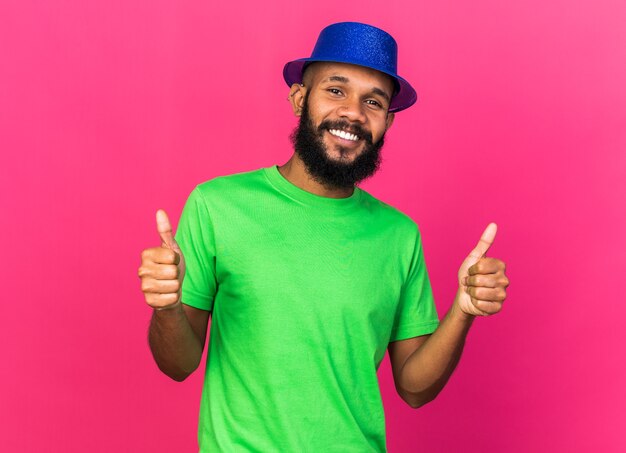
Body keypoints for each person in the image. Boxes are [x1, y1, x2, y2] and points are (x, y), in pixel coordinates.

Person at [138, 22, 510, 452]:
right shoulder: (217, 205)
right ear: (300, 97)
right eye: (336, 90)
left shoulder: (399, 235)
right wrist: (166, 308)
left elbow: (414, 387)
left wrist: (462, 312)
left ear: (387, 122)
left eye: (373, 101)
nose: (353, 112)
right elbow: (178, 365)